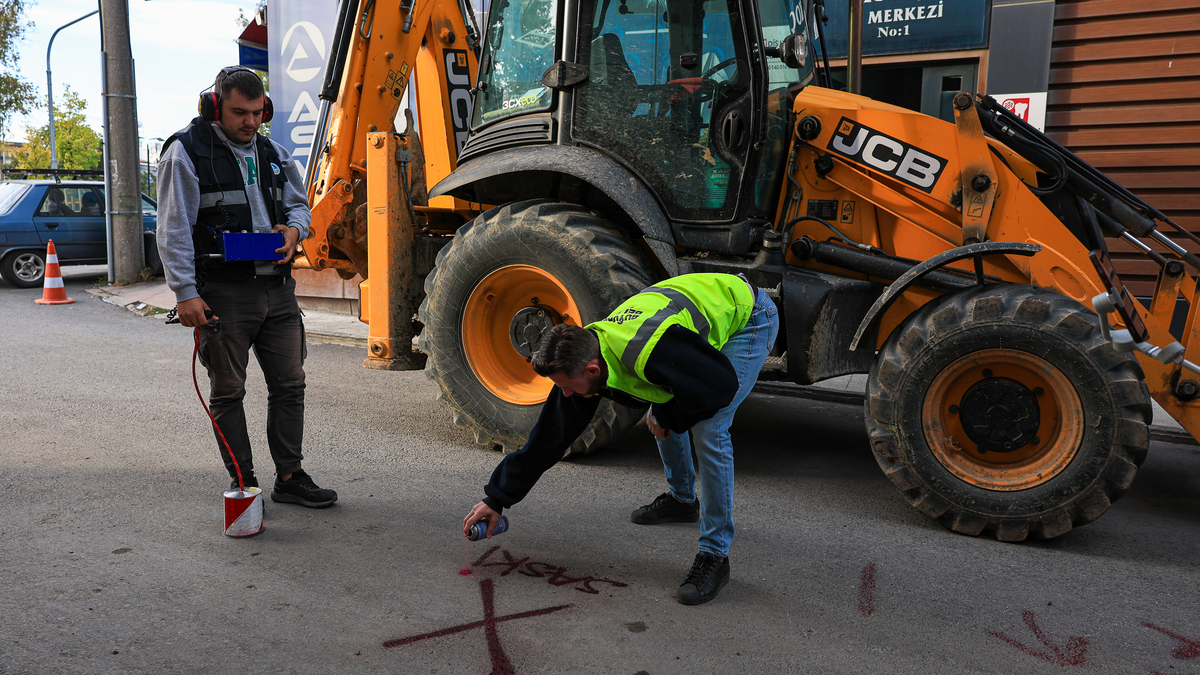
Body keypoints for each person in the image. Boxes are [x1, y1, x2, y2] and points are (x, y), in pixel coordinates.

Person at [463, 273, 779, 605]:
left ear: (593, 371)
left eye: (568, 386)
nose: (565, 394)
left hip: (749, 316)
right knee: (662, 401)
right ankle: (683, 500)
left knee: (709, 428)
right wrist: (496, 498)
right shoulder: (584, 353)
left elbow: (718, 387)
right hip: (685, 335)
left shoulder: (650, 351)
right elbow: (547, 440)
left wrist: (666, 417)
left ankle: (714, 556)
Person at [157, 66, 337, 508]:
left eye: (258, 113)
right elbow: (173, 229)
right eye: (240, 112)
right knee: (228, 391)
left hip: (277, 289)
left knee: (291, 385)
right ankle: (244, 484)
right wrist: (185, 293)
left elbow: (300, 206)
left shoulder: (274, 152)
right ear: (214, 106)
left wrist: (295, 231)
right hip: (222, 293)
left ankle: (291, 477)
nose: (251, 122)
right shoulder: (185, 153)